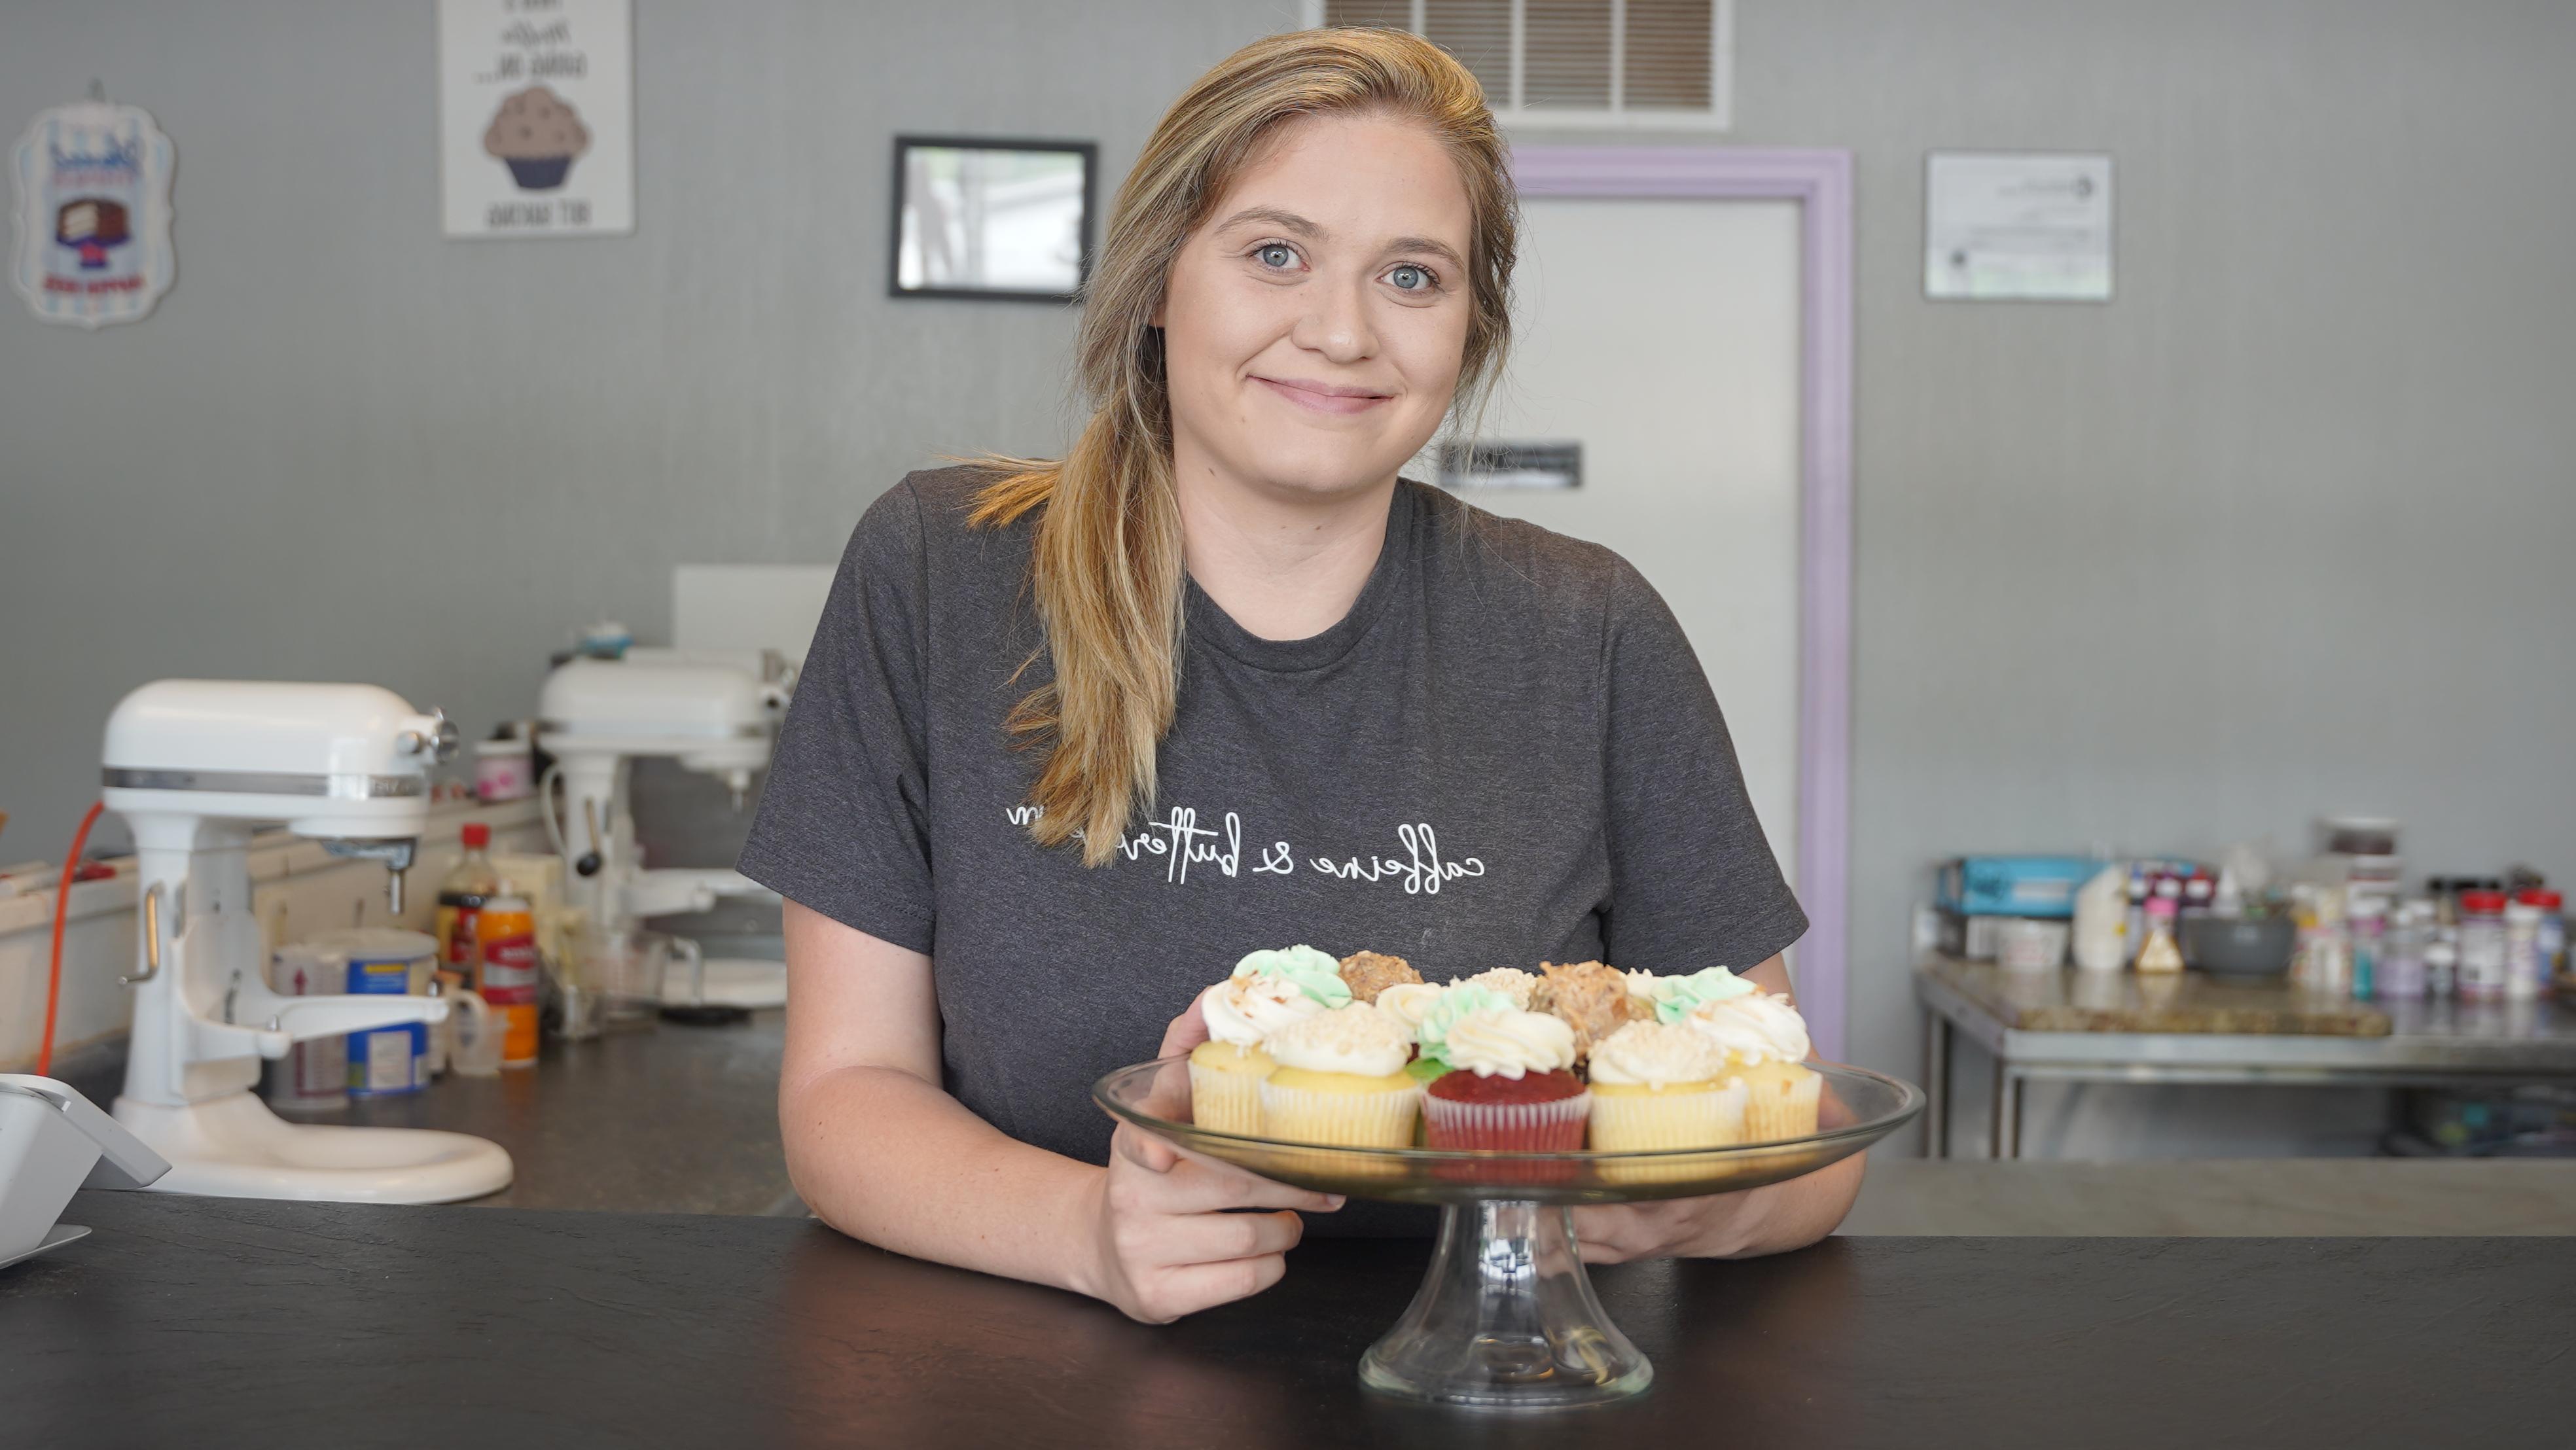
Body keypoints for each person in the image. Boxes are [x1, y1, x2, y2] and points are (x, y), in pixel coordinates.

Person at [740, 27, 1862, 1326]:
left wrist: (1705, 1203)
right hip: (1026, 1361)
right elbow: (843, 1094)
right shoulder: (945, 571)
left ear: (1469, 329)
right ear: (1161, 278)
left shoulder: (1587, 629)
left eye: (1412, 275)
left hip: (1490, 1381)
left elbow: (1798, 1128)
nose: (1340, 330)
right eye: (1276, 252)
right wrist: (1089, 1234)